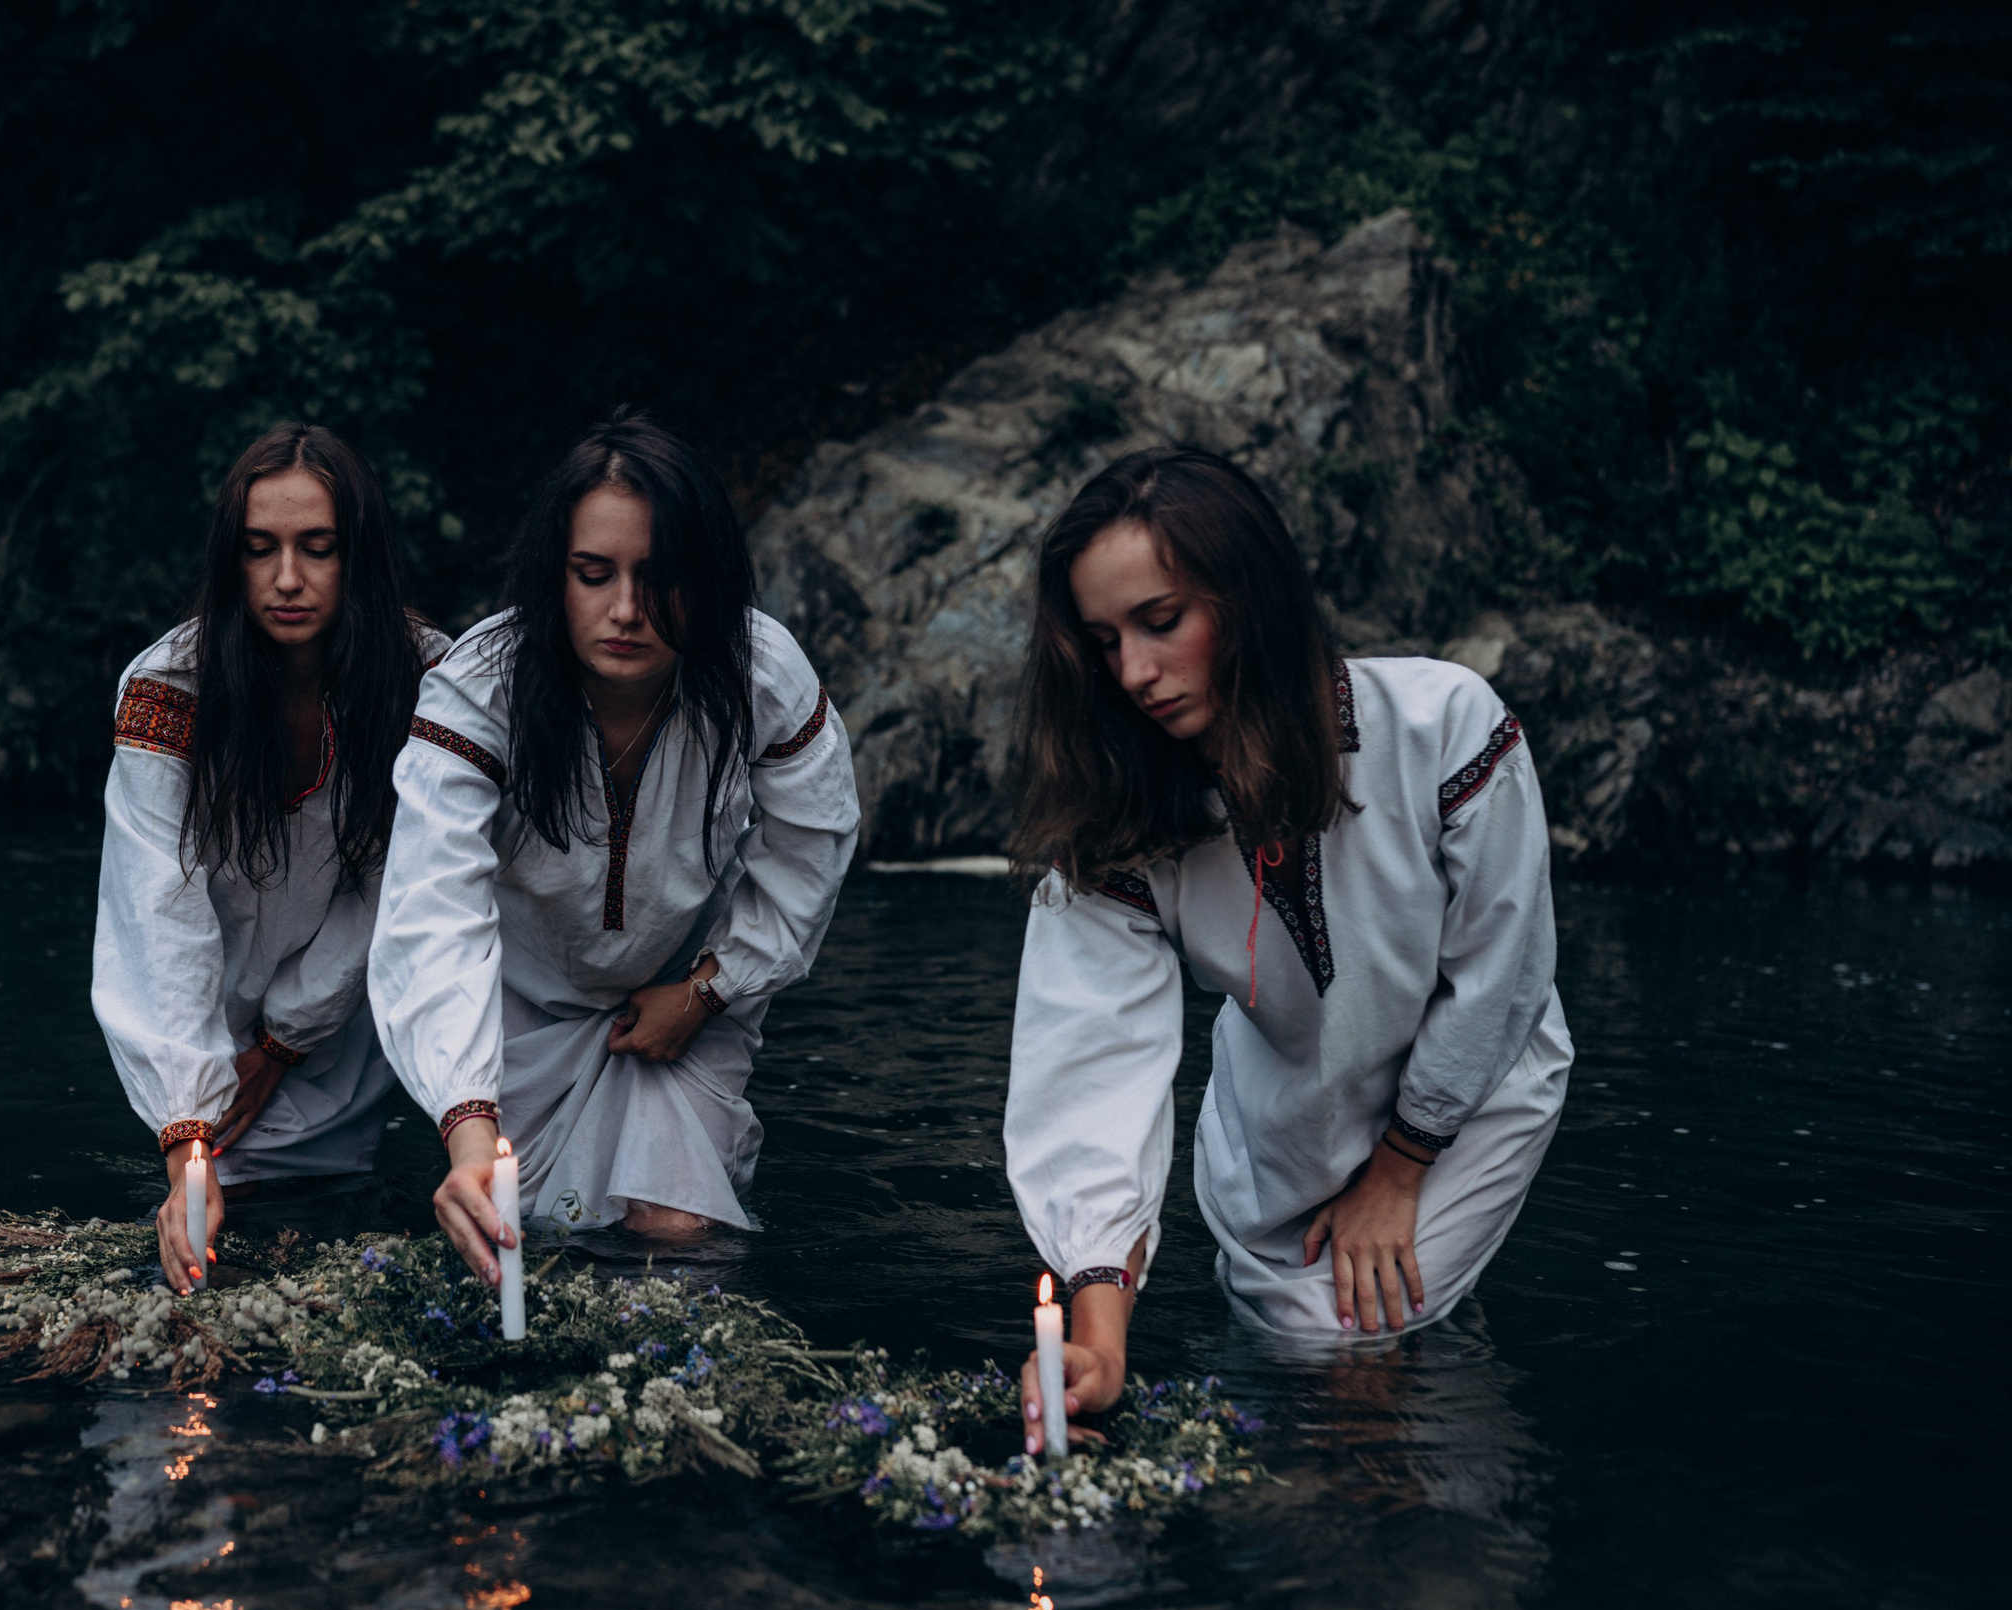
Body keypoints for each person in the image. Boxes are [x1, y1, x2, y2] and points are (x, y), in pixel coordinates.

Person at [1000, 447, 1569, 1452]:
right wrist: (1098, 1332)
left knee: (1347, 1364)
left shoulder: (1443, 725)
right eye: (1102, 641)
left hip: (1472, 1094)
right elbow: (1089, 1065)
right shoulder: (1120, 825)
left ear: (1248, 598)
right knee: (1283, 1379)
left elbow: (1503, 966)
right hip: (1280, 1129)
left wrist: (1399, 1169)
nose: (1132, 673)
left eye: (1161, 621)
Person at [372, 409, 860, 1281]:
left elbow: (811, 842)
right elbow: (432, 911)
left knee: (675, 1235)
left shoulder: (758, 672)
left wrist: (711, 989)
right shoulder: (481, 689)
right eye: (593, 575)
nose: (626, 611)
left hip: (682, 997)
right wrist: (469, 1127)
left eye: (658, 578)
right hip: (516, 1011)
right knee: (521, 1242)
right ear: (554, 576)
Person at [93, 423, 443, 1294]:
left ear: (355, 556)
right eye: (261, 550)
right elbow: (154, 905)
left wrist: (287, 1039)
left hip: (344, 1007)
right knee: (210, 1234)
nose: (287, 579)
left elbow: (403, 879)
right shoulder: (168, 687)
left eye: (317, 549)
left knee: (328, 1233)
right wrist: (186, 1125)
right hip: (199, 1015)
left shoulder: (426, 679)